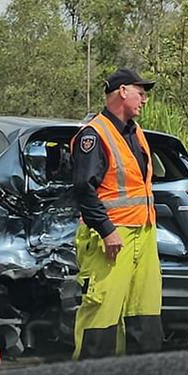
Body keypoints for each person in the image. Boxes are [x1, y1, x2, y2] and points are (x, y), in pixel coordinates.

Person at [71, 66, 162, 359]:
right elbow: (84, 190)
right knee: (101, 319)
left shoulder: (135, 134)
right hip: (109, 238)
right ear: (122, 92)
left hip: (143, 237)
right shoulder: (94, 135)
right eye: (140, 92)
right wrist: (107, 231)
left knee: (144, 316)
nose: (144, 99)